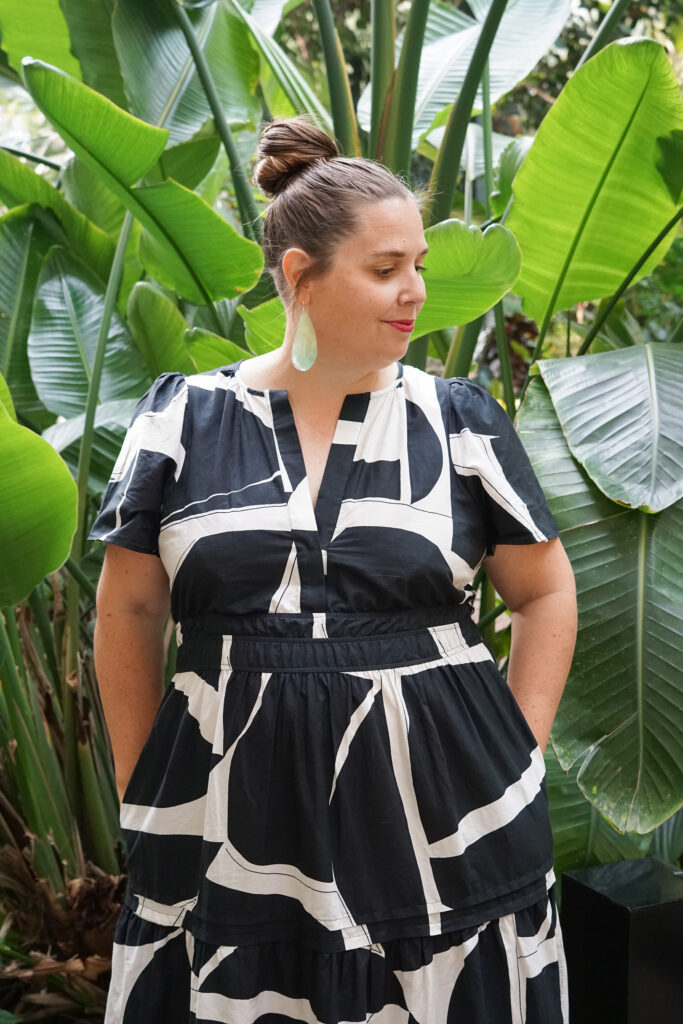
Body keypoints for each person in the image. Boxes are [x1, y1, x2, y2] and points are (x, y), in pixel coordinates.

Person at [89, 116, 577, 1023]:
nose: (415, 292)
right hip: (224, 812)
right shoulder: (181, 420)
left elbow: (544, 590)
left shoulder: (457, 420)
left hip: (447, 812)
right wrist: (139, 782)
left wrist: (520, 754)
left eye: (418, 264)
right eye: (385, 269)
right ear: (299, 277)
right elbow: (127, 612)